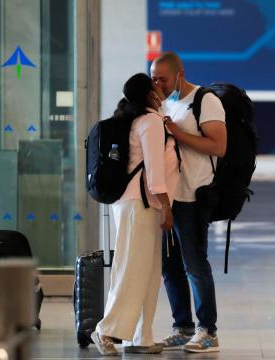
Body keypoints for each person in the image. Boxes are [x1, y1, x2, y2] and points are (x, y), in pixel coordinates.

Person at [92, 73, 179, 356]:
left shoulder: (143, 119)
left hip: (139, 205)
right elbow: (154, 173)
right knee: (131, 269)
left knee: (147, 272)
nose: (160, 88)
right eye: (155, 85)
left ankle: (141, 336)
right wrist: (167, 207)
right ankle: (105, 331)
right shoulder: (151, 122)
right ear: (148, 93)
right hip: (139, 205)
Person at [150, 51, 226, 353]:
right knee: (170, 266)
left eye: (163, 79)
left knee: (195, 264)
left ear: (179, 74)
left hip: (194, 195)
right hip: (169, 198)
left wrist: (177, 133)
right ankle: (182, 327)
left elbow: (219, 146)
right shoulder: (164, 103)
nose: (158, 84)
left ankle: (208, 331)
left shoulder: (205, 101)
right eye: (154, 79)